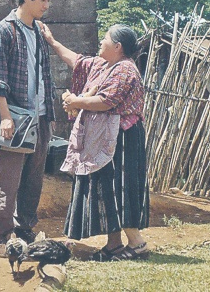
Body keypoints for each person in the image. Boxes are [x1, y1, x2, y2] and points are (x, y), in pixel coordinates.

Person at [41, 23, 150, 261]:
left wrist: (74, 100)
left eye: (106, 38)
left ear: (118, 46)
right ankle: (114, 244)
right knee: (104, 187)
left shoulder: (125, 70)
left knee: (120, 187)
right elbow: (77, 61)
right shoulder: (104, 65)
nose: (101, 41)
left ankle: (137, 243)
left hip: (123, 139)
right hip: (105, 139)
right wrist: (52, 41)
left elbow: (105, 101)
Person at [0, 0, 57, 257]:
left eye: (49, 1)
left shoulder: (39, 31)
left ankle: (24, 227)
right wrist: (5, 116)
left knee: (34, 176)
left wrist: (48, 112)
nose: (46, 6)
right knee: (10, 176)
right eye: (42, 0)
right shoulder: (4, 30)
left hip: (39, 116)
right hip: (15, 115)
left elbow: (44, 76)